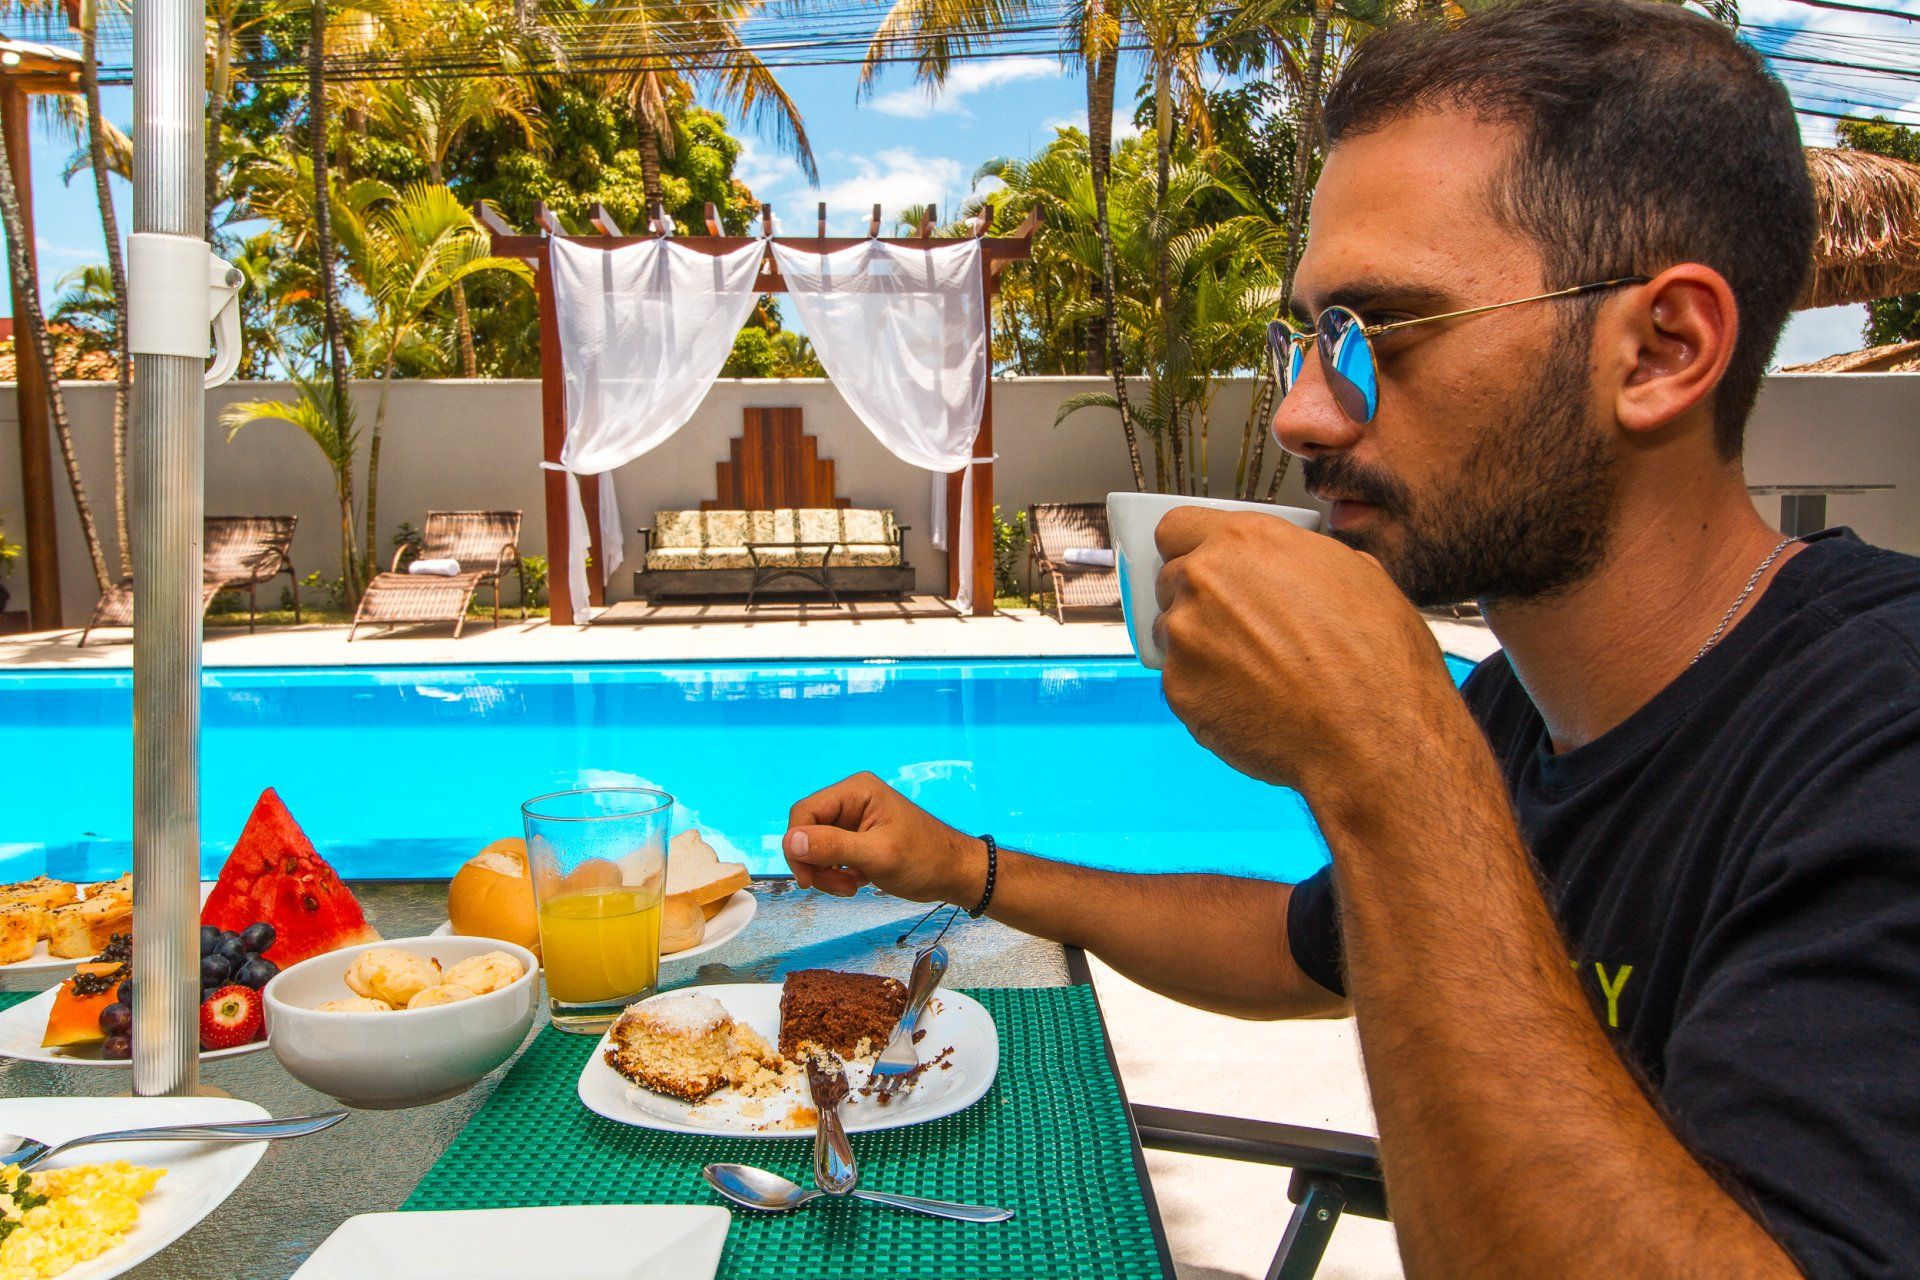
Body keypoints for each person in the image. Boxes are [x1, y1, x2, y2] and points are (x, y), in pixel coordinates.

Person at [783, 1, 1920, 1275]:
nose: (1303, 415)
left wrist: (1389, 755)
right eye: (1311, 338)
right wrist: (968, 867)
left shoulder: (1880, 739)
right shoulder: (1518, 715)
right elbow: (1299, 946)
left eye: (1383, 333)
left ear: (1662, 351)